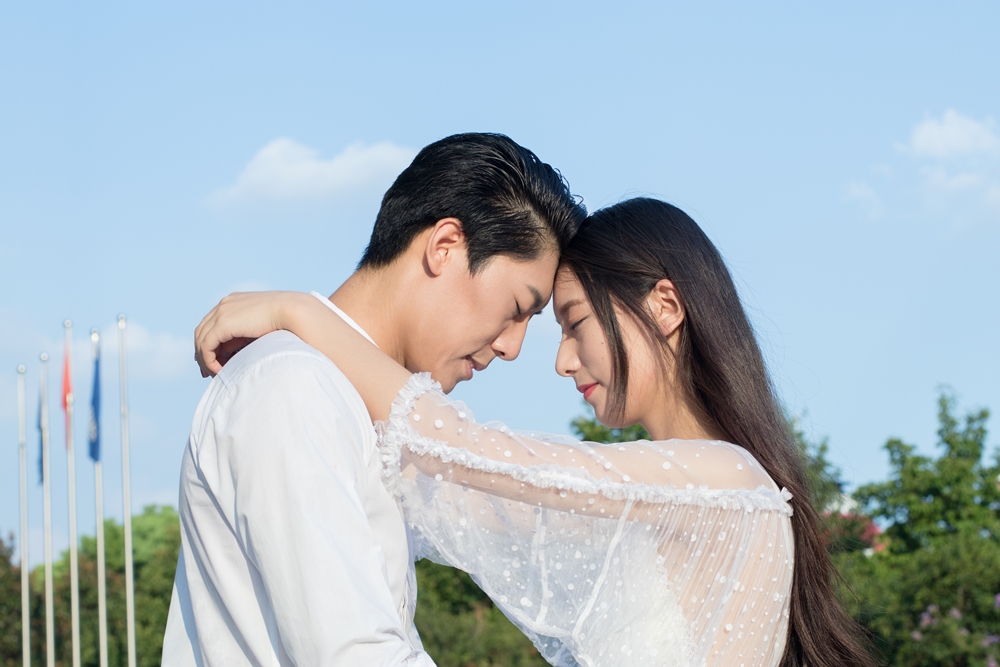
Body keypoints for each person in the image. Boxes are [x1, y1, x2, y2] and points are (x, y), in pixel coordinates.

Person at [195, 198, 876, 667]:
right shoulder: (665, 500)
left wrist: (302, 313)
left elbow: (464, 451)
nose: (561, 360)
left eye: (575, 323)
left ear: (665, 306)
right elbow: (453, 492)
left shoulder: (730, 481)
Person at [161, 132, 587, 666]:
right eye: (517, 308)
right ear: (444, 247)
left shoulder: (345, 402)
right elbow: (353, 653)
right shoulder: (294, 386)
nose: (512, 347)